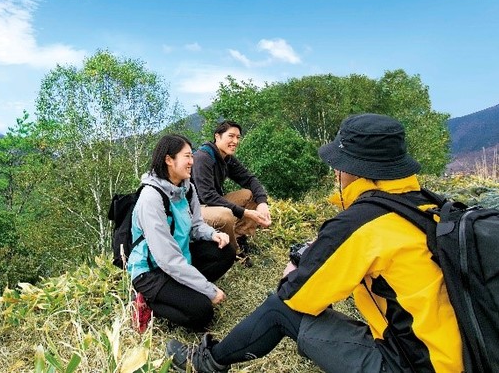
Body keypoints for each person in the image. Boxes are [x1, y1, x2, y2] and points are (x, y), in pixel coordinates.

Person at [167, 114, 463, 373]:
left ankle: (204, 363)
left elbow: (297, 293)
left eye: (338, 164)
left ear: (353, 169)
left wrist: (297, 263)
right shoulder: (427, 205)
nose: (335, 172)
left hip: (412, 363)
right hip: (453, 354)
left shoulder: (363, 223)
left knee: (280, 308)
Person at [127, 134, 236, 331]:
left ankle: (185, 291)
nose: (191, 162)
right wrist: (208, 290)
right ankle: (149, 303)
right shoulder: (151, 198)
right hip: (151, 271)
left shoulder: (187, 188)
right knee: (202, 313)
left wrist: (213, 234)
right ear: (169, 160)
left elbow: (195, 225)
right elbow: (167, 259)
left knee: (226, 252)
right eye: (187, 156)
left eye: (191, 156)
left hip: (180, 257)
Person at [191, 121, 272, 266]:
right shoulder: (203, 158)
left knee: (250, 194)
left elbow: (249, 179)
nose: (235, 141)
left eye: (238, 137)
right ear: (217, 136)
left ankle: (240, 238)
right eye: (231, 136)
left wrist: (262, 203)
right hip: (196, 209)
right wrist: (245, 212)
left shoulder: (226, 158)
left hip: (211, 203)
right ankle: (232, 253)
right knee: (225, 215)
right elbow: (207, 196)